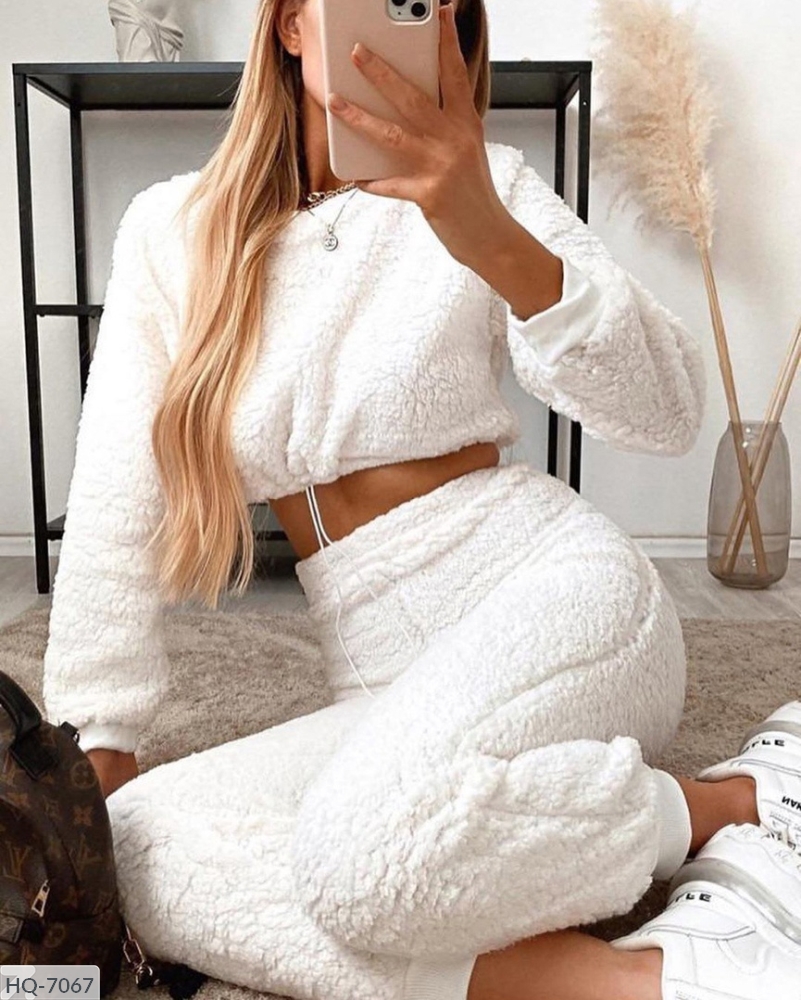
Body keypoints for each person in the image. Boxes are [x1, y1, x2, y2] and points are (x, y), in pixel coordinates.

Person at [41, 1, 801, 998]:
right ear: (292, 25)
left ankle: (725, 807)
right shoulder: (169, 233)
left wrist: (488, 232)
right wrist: (95, 749)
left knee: (363, 855)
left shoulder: (486, 187)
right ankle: (681, 968)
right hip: (384, 678)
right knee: (139, 847)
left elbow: (666, 409)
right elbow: (112, 505)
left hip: (553, 595)